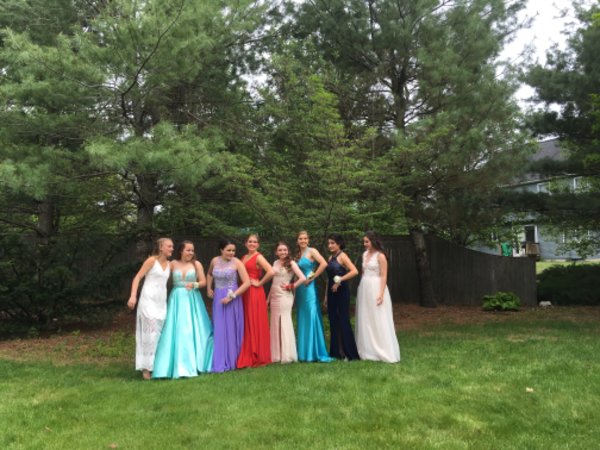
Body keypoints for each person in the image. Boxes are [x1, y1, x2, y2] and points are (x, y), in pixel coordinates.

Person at [152, 240, 214, 378]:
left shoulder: (196, 264)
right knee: (177, 328)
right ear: (181, 251)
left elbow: (203, 282)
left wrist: (194, 285)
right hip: (177, 299)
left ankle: (196, 362)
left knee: (193, 328)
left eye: (192, 250)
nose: (191, 253)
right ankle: (171, 365)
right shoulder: (173, 264)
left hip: (192, 299)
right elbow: (161, 275)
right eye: (188, 250)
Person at [127, 237, 173, 380]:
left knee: (158, 334)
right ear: (161, 247)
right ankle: (146, 369)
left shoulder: (170, 264)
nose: (172, 249)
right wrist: (133, 296)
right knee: (149, 334)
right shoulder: (151, 261)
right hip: (148, 301)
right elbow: (137, 277)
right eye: (169, 246)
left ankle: (155, 366)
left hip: (161, 303)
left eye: (172, 246)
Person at [355, 231, 400, 363]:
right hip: (365, 287)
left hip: (376, 287)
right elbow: (363, 273)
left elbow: (384, 275)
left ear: (373, 241)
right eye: (364, 242)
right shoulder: (364, 255)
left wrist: (381, 293)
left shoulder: (381, 256)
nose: (364, 244)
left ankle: (383, 350)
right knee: (366, 317)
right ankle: (367, 350)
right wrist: (361, 286)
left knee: (378, 317)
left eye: (367, 241)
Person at [206, 239, 250, 372]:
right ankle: (220, 359)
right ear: (221, 250)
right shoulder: (214, 261)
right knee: (219, 327)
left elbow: (247, 282)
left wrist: (231, 297)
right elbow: (209, 274)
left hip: (232, 296)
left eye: (233, 250)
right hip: (218, 297)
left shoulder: (237, 262)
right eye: (228, 250)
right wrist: (208, 288)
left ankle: (233, 359)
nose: (231, 253)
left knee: (231, 327)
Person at [237, 234, 275, 368]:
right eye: (250, 241)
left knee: (254, 320)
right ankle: (248, 350)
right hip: (244, 291)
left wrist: (259, 283)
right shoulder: (243, 257)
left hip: (254, 292)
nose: (252, 244)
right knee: (247, 320)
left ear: (258, 244)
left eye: (254, 242)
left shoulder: (258, 257)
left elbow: (271, 271)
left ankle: (257, 354)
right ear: (245, 243)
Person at [294, 231, 333, 362]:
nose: (303, 240)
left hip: (309, 287)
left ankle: (314, 351)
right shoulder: (297, 254)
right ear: (297, 240)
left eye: (305, 238)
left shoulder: (312, 251)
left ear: (308, 240)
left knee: (311, 314)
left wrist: (312, 277)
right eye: (300, 238)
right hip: (300, 288)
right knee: (303, 316)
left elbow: (324, 263)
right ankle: (304, 352)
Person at [268, 241, 305, 364]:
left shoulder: (292, 263)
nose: (282, 252)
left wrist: (291, 286)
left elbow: (303, 278)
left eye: (284, 250)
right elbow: (273, 282)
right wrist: (268, 298)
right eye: (280, 250)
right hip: (274, 296)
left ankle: (287, 354)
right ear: (276, 252)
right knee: (275, 324)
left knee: (284, 322)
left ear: (288, 251)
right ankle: (276, 354)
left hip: (285, 296)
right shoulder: (275, 263)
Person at [325, 234, 360, 361]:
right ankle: (336, 352)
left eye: (332, 243)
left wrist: (340, 279)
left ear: (339, 244)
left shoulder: (343, 256)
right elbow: (329, 279)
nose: (330, 245)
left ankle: (350, 354)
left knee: (343, 320)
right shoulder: (330, 257)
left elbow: (354, 271)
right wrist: (326, 296)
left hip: (342, 291)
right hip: (331, 292)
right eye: (329, 243)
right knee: (333, 320)